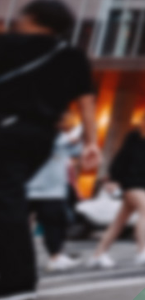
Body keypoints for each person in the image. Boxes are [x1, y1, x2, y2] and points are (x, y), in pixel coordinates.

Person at [0, 1, 101, 297]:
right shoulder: (71, 55)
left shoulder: (6, 44)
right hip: (39, 139)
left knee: (8, 201)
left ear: (32, 17)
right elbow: (86, 103)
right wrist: (91, 142)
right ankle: (16, 281)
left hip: (5, 129)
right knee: (9, 197)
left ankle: (16, 282)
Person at [88, 109, 145, 268]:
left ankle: (98, 255)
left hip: (144, 186)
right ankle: (143, 250)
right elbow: (121, 158)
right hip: (131, 182)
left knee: (119, 222)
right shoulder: (134, 136)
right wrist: (113, 179)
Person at [26, 112, 82, 271]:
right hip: (29, 186)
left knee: (54, 223)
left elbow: (76, 152)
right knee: (16, 223)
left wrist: (78, 141)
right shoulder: (41, 133)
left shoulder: (64, 139)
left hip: (52, 189)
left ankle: (56, 256)